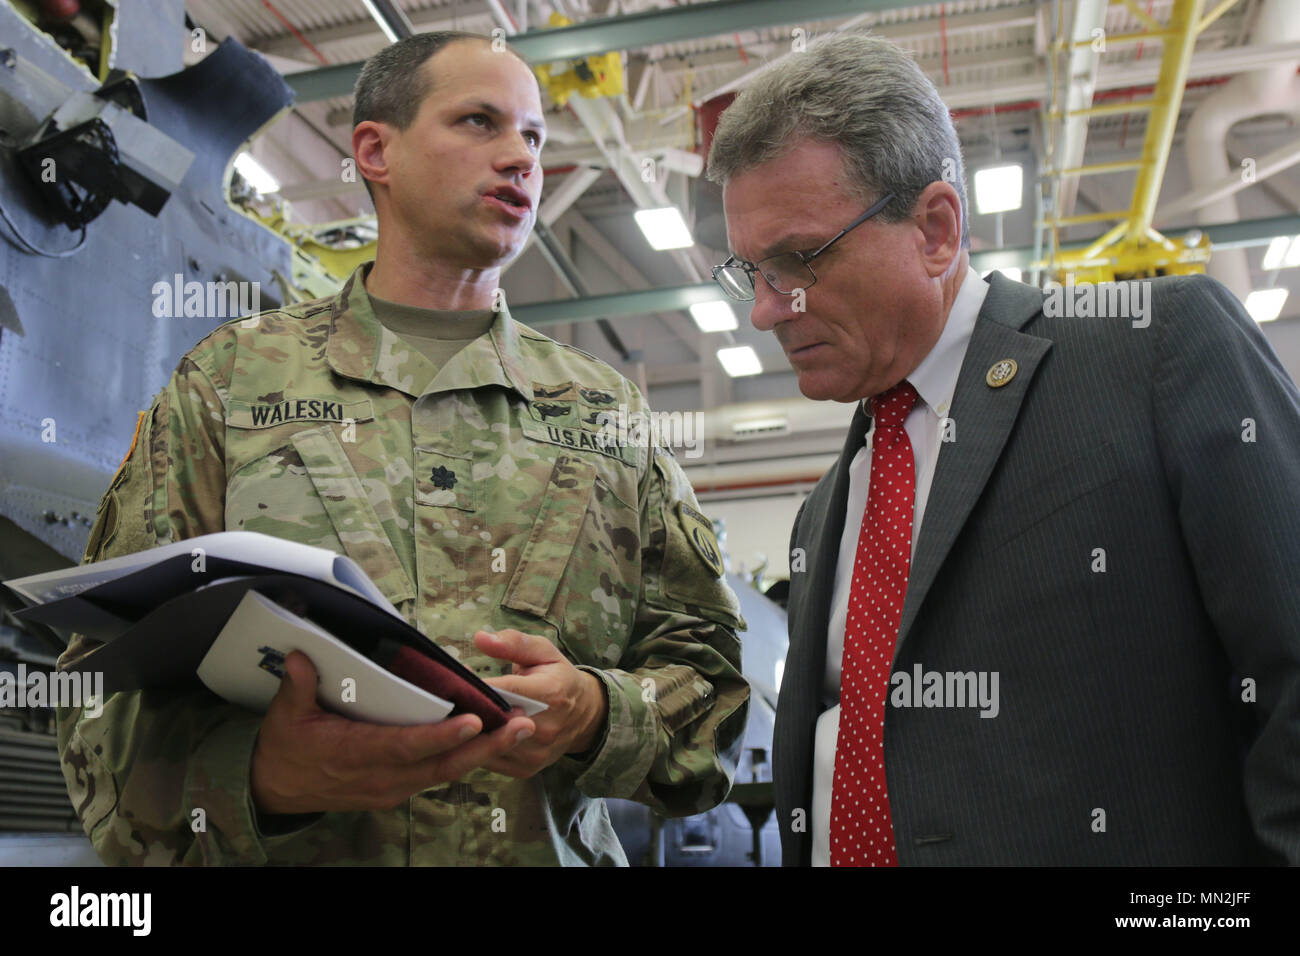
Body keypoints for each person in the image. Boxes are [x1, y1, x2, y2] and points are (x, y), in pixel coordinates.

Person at [54, 30, 748, 866]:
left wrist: (599, 712)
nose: (521, 159)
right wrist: (265, 778)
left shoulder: (607, 413)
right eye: (479, 123)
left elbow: (709, 688)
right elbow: (98, 688)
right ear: (375, 151)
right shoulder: (229, 386)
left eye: (532, 136)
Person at [706, 31, 1300, 866]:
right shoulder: (822, 517)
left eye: (798, 260)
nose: (767, 310)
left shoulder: (1154, 358)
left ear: (936, 228)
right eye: (751, 273)